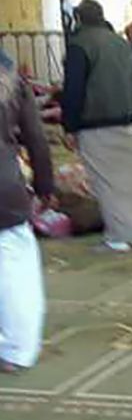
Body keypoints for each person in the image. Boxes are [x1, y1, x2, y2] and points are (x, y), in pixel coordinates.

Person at [61, 0, 132, 252]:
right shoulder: (121, 43)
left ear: (78, 19)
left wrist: (70, 125)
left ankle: (118, 236)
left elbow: (74, 89)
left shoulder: (80, 45)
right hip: (124, 119)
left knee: (106, 183)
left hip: (94, 122)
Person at [0, 49, 54, 372]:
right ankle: (18, 350)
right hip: (4, 188)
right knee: (15, 269)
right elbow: (36, 139)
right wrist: (45, 186)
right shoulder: (12, 82)